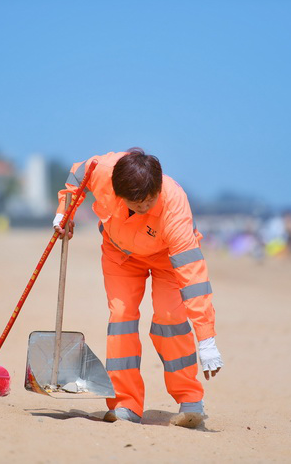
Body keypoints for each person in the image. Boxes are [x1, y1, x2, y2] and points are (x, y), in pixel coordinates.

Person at [53, 148, 223, 428]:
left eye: (149, 201)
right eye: (136, 203)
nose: (144, 208)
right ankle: (126, 403)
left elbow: (193, 276)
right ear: (118, 192)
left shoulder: (174, 206)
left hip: (167, 260)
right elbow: (77, 175)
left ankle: (190, 399)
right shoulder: (101, 170)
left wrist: (206, 339)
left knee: (170, 318)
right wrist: (64, 212)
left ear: (158, 189)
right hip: (119, 254)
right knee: (121, 318)